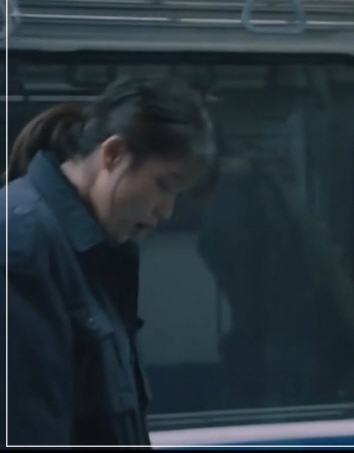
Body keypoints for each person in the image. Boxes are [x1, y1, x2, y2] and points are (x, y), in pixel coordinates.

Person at [2, 76, 220, 446]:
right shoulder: (21, 248)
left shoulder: (94, 257)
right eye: (163, 185)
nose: (166, 211)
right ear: (114, 154)